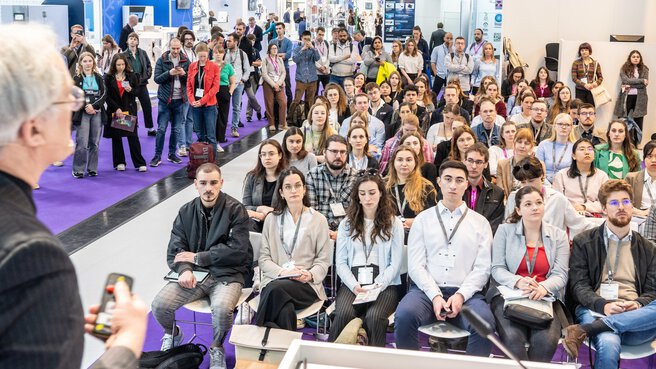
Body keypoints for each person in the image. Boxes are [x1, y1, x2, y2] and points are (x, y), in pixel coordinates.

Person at [0, 23, 148, 369]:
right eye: (66, 97)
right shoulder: (30, 258)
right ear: (33, 127)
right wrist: (126, 343)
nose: (74, 104)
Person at [151, 163, 252, 368]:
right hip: (195, 276)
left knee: (223, 310)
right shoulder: (186, 212)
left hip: (228, 275)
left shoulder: (236, 210)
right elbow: (176, 250)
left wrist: (198, 258)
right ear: (195, 184)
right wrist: (185, 269)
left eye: (213, 183)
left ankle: (217, 347)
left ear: (221, 183)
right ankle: (173, 333)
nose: (209, 188)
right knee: (159, 305)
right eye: (203, 183)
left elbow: (238, 251)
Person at [395, 160, 495, 355]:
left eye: (459, 180)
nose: (453, 185)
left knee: (485, 324)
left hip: (467, 295)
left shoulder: (480, 223)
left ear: (466, 184)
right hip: (425, 292)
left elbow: (482, 269)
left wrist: (460, 295)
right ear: (439, 181)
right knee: (405, 315)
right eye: (448, 179)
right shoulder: (423, 219)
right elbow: (416, 265)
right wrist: (435, 295)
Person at [565, 179, 656, 369]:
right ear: (604, 208)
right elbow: (578, 286)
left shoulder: (649, 248)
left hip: (636, 319)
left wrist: (639, 303)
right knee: (608, 344)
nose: (621, 207)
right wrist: (603, 305)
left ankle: (585, 330)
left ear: (633, 206)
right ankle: (598, 325)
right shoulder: (584, 241)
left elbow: (652, 290)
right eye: (614, 203)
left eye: (626, 201)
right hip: (596, 310)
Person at [490, 186, 570, 362]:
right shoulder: (504, 231)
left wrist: (543, 287)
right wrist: (517, 281)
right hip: (509, 296)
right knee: (512, 340)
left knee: (546, 342)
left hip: (544, 298)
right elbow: (497, 268)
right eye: (528, 204)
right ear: (518, 210)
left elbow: (561, 274)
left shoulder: (559, 236)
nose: (535, 207)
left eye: (538, 202)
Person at [331, 172, 404, 346]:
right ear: (357, 196)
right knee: (343, 314)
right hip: (353, 282)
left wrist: (376, 286)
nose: (367, 198)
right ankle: (332, 359)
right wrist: (354, 285)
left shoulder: (394, 223)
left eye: (372, 192)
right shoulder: (346, 224)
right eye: (362, 193)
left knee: (374, 317)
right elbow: (340, 263)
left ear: (380, 193)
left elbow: (395, 263)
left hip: (384, 283)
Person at [257, 167, 333, 330]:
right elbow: (263, 259)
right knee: (285, 310)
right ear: (281, 193)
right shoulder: (271, 219)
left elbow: (323, 260)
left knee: (275, 290)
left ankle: (259, 337)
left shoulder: (319, 220)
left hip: (305, 285)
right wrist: (283, 273)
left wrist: (310, 275)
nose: (294, 190)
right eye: (288, 187)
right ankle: (285, 351)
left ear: (304, 189)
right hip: (275, 279)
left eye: (298, 185)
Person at [505, 156, 594, 240]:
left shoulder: (557, 199)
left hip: (552, 249)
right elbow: (508, 226)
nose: (527, 186)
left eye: (531, 181)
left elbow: (579, 224)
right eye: (523, 182)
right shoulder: (513, 197)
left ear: (542, 176)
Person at [103, 53, 147, 172]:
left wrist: (131, 90)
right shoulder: (108, 77)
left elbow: (138, 91)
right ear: (114, 65)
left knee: (133, 137)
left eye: (122, 64)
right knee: (116, 137)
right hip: (115, 111)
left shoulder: (132, 76)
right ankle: (119, 162)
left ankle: (139, 163)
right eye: (118, 65)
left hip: (129, 110)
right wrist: (116, 108)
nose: (121, 67)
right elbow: (107, 96)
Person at [306, 135, 357, 235]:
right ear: (324, 152)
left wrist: (341, 233)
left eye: (342, 152)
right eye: (334, 151)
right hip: (319, 232)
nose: (338, 156)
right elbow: (312, 211)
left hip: (348, 233)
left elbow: (357, 212)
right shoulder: (313, 175)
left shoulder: (356, 177)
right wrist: (325, 232)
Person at [150, 38, 189, 167]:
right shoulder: (162, 59)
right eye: (173, 48)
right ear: (169, 47)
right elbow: (156, 79)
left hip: (180, 100)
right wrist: (169, 73)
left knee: (176, 129)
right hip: (165, 101)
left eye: (178, 48)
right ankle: (157, 155)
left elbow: (190, 80)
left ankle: (172, 154)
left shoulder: (185, 59)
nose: (176, 51)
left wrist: (184, 74)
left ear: (180, 47)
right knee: (161, 129)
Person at [386, 146, 437, 236]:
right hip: (389, 234)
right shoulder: (383, 185)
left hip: (416, 235)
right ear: (393, 162)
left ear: (415, 163)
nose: (404, 164)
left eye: (409, 160)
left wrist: (409, 222)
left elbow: (431, 217)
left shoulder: (426, 187)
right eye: (400, 160)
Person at [72, 52, 106, 179]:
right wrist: (86, 107)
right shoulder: (77, 79)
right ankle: (79, 169)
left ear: (94, 62)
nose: (87, 63)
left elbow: (104, 94)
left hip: (97, 113)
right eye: (85, 61)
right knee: (82, 142)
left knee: (95, 143)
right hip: (82, 114)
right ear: (80, 63)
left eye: (90, 61)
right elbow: (74, 97)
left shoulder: (99, 77)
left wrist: (94, 106)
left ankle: (92, 168)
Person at [553, 138, 609, 215]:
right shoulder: (561, 175)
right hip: (569, 215)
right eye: (582, 149)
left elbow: (605, 203)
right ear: (573, 156)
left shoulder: (602, 176)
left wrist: (584, 207)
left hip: (596, 216)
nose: (586, 152)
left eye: (590, 149)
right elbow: (556, 202)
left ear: (594, 155)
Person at [243, 140, 287, 232]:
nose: (267, 158)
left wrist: (268, 214)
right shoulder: (252, 177)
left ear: (280, 155)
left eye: (271, 154)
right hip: (256, 222)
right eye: (263, 154)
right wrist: (259, 209)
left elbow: (291, 208)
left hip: (281, 223)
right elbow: (245, 206)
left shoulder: (287, 177)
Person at [186, 42, 220, 154]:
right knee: (200, 134)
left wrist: (202, 101)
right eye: (200, 56)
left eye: (205, 56)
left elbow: (215, 88)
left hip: (209, 105)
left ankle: (212, 160)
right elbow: (189, 86)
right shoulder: (192, 66)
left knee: (210, 135)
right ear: (196, 55)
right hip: (195, 105)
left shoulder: (214, 67)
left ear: (208, 54)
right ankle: (201, 159)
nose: (203, 59)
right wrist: (192, 101)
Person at [462, 143, 505, 233]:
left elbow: (494, 226)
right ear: (464, 161)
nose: (474, 166)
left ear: (486, 164)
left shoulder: (497, 193)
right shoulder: (455, 189)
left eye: (479, 162)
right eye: (470, 160)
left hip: (485, 241)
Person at [123, 33, 156, 138]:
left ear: (137, 42)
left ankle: (150, 128)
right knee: (130, 106)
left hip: (142, 84)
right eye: (130, 38)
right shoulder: (123, 55)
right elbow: (121, 71)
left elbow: (148, 66)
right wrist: (125, 85)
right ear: (127, 41)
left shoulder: (142, 53)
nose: (133, 40)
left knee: (147, 105)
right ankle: (131, 126)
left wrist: (147, 75)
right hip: (130, 86)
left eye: (135, 39)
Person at [535, 113, 576, 183]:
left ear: (571, 127)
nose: (563, 127)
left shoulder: (575, 146)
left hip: (567, 182)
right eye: (560, 124)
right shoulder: (543, 145)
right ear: (554, 126)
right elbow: (537, 169)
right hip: (545, 182)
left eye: (567, 125)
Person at [615, 50, 650, 132]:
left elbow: (643, 84)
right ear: (630, 58)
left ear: (640, 58)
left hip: (640, 98)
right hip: (626, 96)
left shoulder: (645, 69)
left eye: (638, 57)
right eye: (633, 57)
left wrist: (629, 85)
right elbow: (625, 80)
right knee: (622, 119)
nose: (636, 58)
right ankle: (623, 140)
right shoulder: (624, 68)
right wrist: (641, 80)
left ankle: (637, 142)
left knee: (638, 121)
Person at [496, 128, 537, 198]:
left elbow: (538, 189)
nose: (522, 146)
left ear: (531, 146)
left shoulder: (538, 165)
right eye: (519, 142)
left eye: (526, 143)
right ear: (514, 143)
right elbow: (500, 192)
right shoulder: (502, 164)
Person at [212, 44, 236, 148]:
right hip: (212, 91)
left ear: (223, 54)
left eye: (220, 52)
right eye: (216, 52)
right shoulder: (210, 64)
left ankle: (220, 137)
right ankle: (211, 137)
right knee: (212, 115)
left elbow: (233, 82)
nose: (218, 55)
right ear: (213, 53)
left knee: (223, 115)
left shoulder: (228, 66)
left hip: (224, 90)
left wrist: (230, 92)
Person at [260, 43, 287, 132]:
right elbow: (264, 74)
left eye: (275, 48)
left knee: (283, 102)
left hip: (279, 83)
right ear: (269, 50)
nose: (274, 50)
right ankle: (271, 123)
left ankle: (282, 124)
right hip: (268, 83)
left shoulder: (280, 59)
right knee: (269, 103)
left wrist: (278, 84)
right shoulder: (265, 60)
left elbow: (283, 72)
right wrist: (273, 84)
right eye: (272, 48)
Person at [625, 140, 656, 216]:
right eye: (649, 156)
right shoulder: (631, 178)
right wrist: (642, 213)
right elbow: (623, 202)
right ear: (644, 159)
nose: (653, 160)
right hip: (638, 217)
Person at [292, 30, 320, 110]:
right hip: (301, 79)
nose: (307, 41)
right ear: (301, 39)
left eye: (308, 39)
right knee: (296, 100)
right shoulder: (297, 49)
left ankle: (309, 118)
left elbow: (317, 58)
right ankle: (291, 119)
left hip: (312, 78)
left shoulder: (313, 49)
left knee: (310, 101)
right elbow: (295, 60)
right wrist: (302, 50)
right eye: (305, 39)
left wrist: (313, 48)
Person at [272, 23, 294, 110]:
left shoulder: (288, 42)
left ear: (284, 29)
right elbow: (270, 55)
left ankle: (289, 110)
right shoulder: (272, 41)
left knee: (288, 90)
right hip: (274, 70)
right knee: (274, 90)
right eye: (276, 29)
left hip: (285, 68)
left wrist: (276, 55)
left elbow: (288, 55)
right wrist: (281, 55)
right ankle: (275, 110)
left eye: (280, 28)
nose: (278, 30)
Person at [430, 32, 453, 97]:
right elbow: (433, 62)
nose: (449, 40)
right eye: (447, 38)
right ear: (444, 38)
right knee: (434, 94)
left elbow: (453, 61)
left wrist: (450, 49)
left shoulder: (454, 49)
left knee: (449, 94)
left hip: (450, 75)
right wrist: (435, 72)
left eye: (451, 38)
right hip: (439, 74)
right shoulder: (437, 49)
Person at [314, 27, 331, 91]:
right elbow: (312, 59)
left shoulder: (327, 43)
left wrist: (325, 66)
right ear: (316, 34)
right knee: (315, 92)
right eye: (319, 34)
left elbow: (329, 57)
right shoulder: (312, 44)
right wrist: (320, 67)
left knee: (328, 91)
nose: (321, 36)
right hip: (316, 72)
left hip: (326, 72)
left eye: (322, 35)